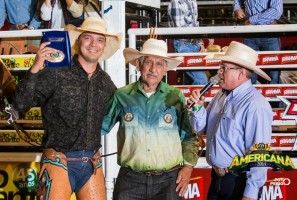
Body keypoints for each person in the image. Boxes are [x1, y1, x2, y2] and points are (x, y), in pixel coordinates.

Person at [13, 17, 122, 199]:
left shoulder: (106, 83)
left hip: (91, 163)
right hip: (58, 161)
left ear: (104, 47)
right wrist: (37, 65)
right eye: (88, 37)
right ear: (78, 42)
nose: (94, 44)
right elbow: (20, 105)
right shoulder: (56, 73)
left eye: (100, 39)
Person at [101, 38, 200, 200]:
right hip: (130, 180)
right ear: (139, 65)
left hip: (169, 180)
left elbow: (189, 136)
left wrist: (188, 167)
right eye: (148, 62)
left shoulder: (175, 97)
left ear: (165, 69)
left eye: (159, 64)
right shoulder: (121, 96)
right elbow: (100, 127)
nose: (153, 69)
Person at [188, 41, 273, 200]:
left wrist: (250, 194)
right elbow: (201, 128)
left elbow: (260, 154)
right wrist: (198, 108)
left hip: (239, 182)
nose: (218, 72)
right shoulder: (221, 95)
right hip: (217, 178)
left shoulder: (255, 105)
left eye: (224, 68)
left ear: (240, 73)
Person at [234, 0, 283, 84]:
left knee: (273, 71)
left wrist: (252, 20)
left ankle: (274, 96)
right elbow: (237, 1)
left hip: (269, 33)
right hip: (250, 34)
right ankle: (250, 96)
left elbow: (276, 11)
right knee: (248, 72)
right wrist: (237, 8)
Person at [167, 0, 214, 85]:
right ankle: (197, 98)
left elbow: (195, 24)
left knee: (189, 81)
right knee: (201, 80)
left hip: (192, 44)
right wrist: (202, 36)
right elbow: (181, 29)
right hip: (183, 45)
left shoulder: (192, 1)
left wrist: (200, 43)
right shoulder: (176, 1)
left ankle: (187, 98)